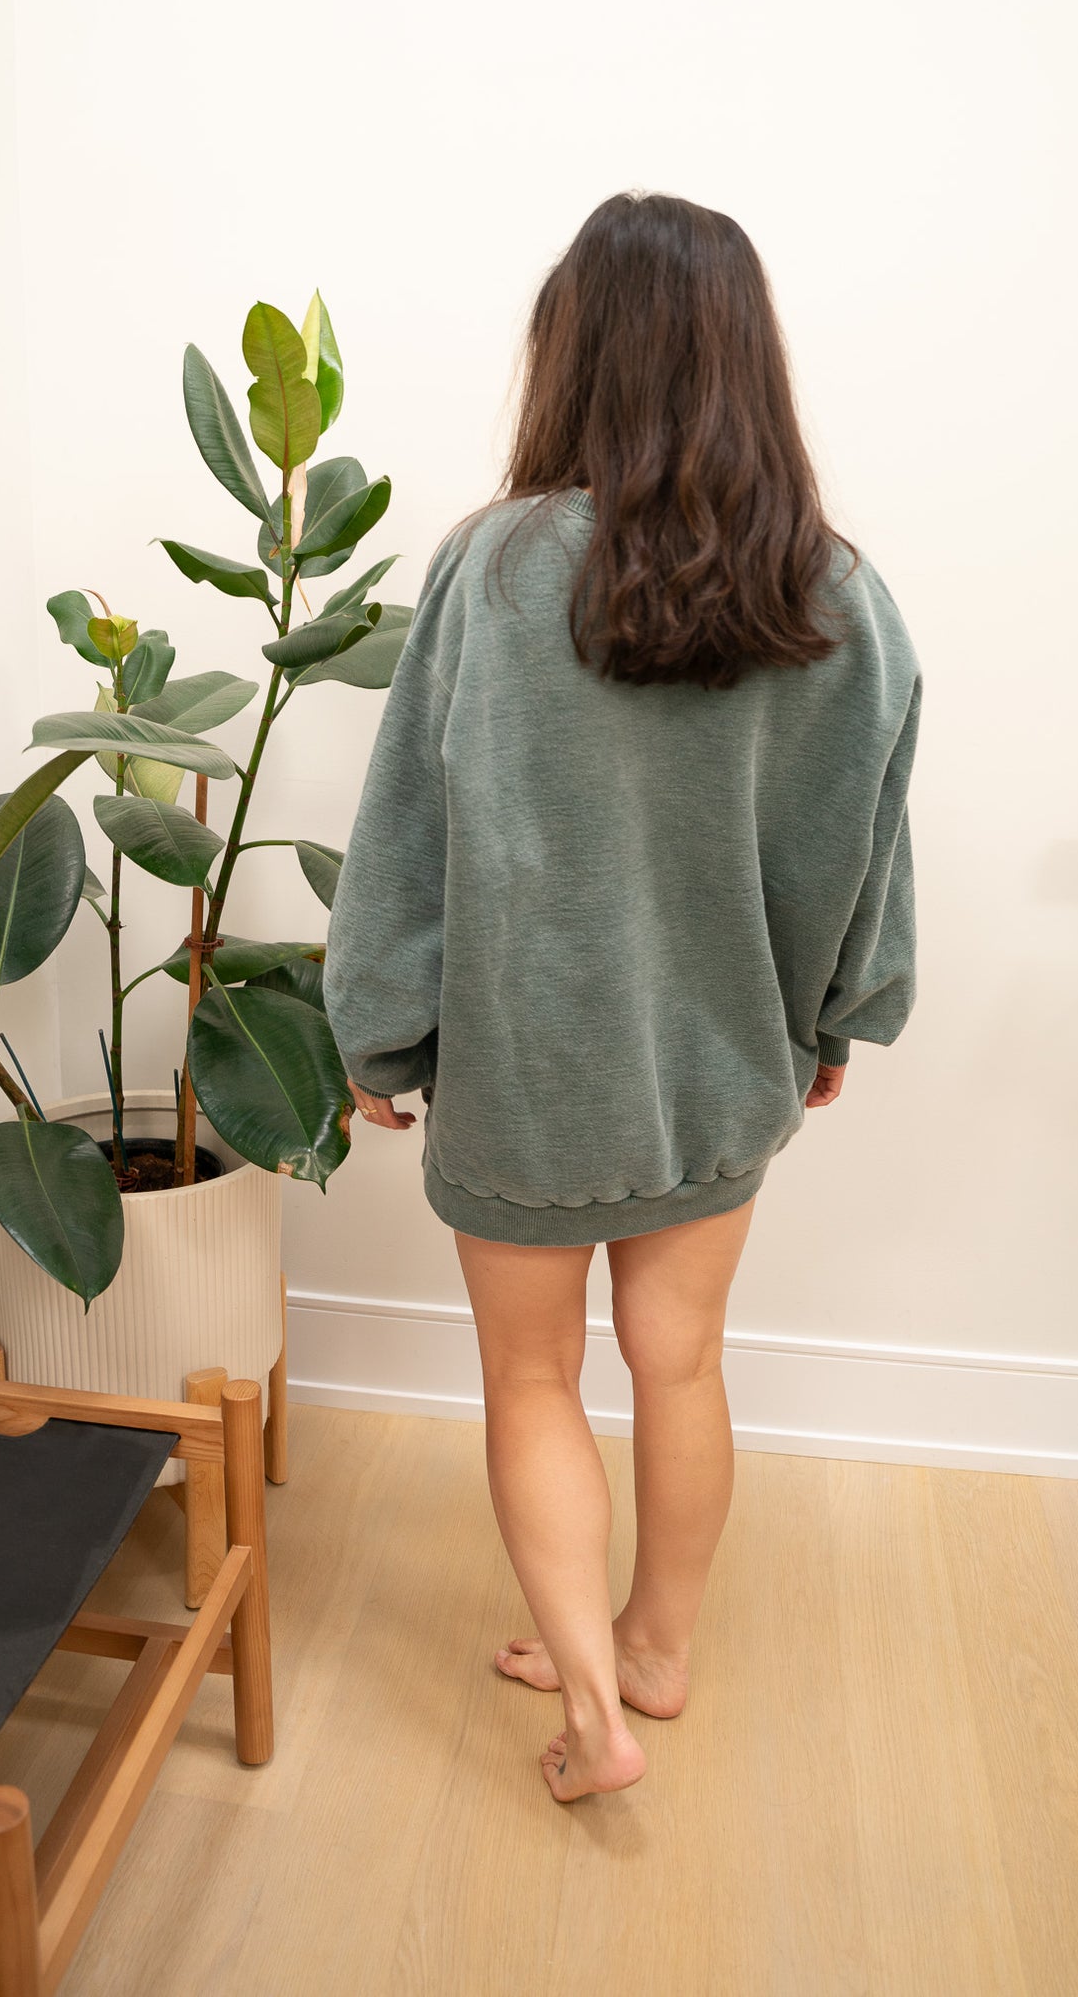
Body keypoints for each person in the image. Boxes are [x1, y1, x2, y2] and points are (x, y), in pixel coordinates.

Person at [321, 190, 922, 1804]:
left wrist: (375, 1027)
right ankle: (656, 1647)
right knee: (681, 1361)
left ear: (570, 355)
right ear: (748, 361)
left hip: (527, 1071)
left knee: (531, 1380)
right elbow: (863, 834)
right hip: (718, 1066)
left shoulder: (492, 569)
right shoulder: (836, 594)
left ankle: (587, 1703)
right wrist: (838, 1017)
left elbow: (408, 828)